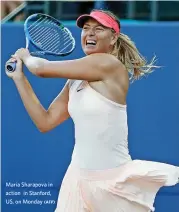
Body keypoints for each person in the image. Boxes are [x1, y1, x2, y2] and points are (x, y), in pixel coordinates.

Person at [6, 9, 179, 212]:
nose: (90, 33)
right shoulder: (75, 79)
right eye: (86, 28)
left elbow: (40, 69)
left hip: (111, 183)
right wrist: (19, 78)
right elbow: (45, 121)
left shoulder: (109, 64)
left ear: (113, 37)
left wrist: (25, 57)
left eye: (99, 29)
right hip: (77, 181)